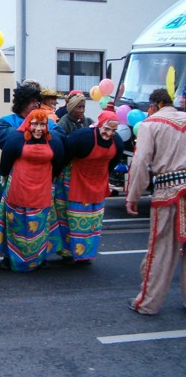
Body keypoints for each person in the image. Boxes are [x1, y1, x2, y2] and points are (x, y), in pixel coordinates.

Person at [126, 89, 186, 315]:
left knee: (161, 249)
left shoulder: (151, 124)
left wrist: (133, 195)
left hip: (167, 193)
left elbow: (140, 162)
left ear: (156, 104)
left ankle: (148, 302)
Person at [0, 109, 64, 272]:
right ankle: (9, 258)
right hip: (18, 187)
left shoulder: (54, 142)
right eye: (35, 124)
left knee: (40, 226)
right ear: (28, 124)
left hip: (42, 190)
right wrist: (3, 174)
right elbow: (6, 160)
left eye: (42, 125)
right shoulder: (16, 139)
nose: (38, 128)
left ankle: (40, 258)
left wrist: (53, 179)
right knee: (14, 224)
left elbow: (58, 163)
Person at [57, 111, 124, 263]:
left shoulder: (117, 142)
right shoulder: (82, 137)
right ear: (99, 125)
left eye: (113, 131)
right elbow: (65, 155)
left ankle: (84, 255)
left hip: (97, 182)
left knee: (92, 221)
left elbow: (112, 163)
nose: (109, 134)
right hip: (75, 179)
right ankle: (68, 252)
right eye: (106, 129)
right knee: (69, 218)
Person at [0, 82, 62, 150]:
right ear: (22, 103)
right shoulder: (8, 120)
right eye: (32, 101)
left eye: (37, 101)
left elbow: (59, 134)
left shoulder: (46, 121)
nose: (36, 104)